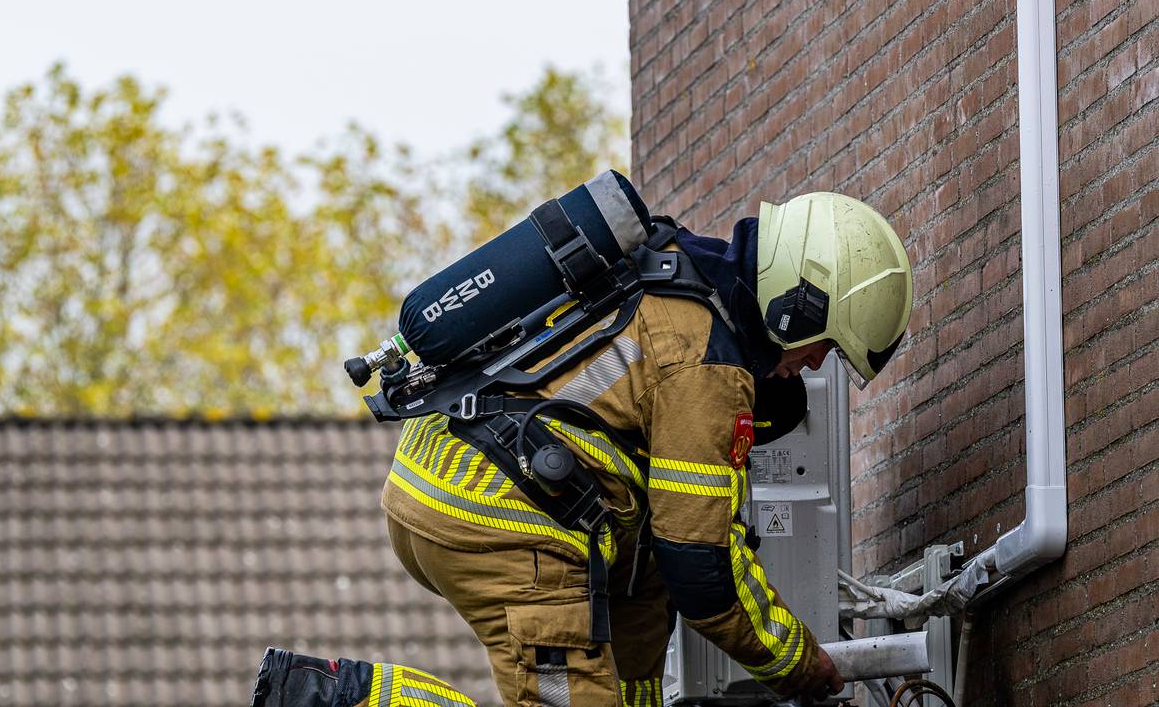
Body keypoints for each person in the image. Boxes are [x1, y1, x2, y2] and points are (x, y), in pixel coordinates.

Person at [251, 192, 912, 707]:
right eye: (826, 345)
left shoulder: (672, 279)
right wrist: (799, 665)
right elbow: (701, 565)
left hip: (453, 480)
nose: (814, 365)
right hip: (504, 517)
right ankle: (333, 697)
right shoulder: (703, 362)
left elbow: (651, 574)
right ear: (798, 303)